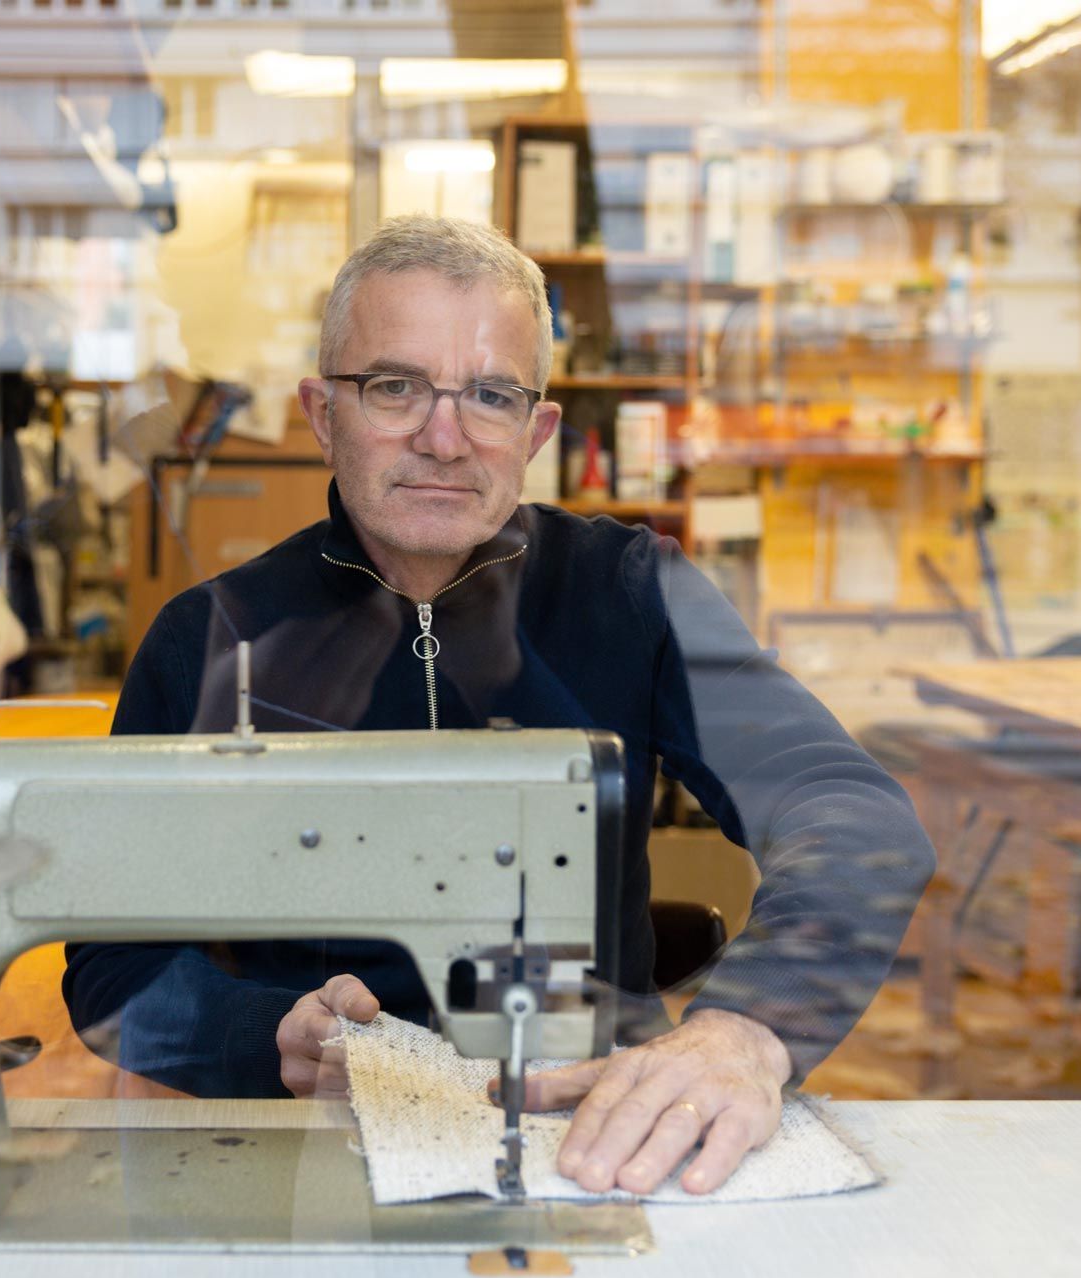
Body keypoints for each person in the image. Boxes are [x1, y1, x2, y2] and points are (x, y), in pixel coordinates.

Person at [65, 215, 935, 1197]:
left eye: (489, 395)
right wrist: (261, 1035)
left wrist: (744, 1030)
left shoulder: (636, 592)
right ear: (321, 411)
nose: (443, 437)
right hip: (316, 1156)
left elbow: (853, 818)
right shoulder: (208, 639)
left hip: (599, 1142)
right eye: (394, 387)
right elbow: (109, 966)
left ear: (539, 429)